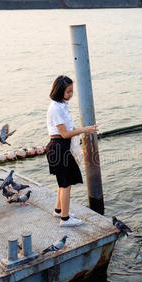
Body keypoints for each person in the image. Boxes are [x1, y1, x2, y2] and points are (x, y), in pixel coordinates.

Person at [46, 75, 97, 227]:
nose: (70, 95)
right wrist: (85, 129)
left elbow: (69, 128)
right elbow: (64, 134)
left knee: (63, 182)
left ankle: (58, 210)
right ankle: (65, 219)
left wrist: (84, 130)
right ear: (60, 91)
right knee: (66, 184)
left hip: (61, 147)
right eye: (68, 92)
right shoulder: (55, 108)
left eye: (71, 91)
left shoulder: (62, 105)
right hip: (58, 147)